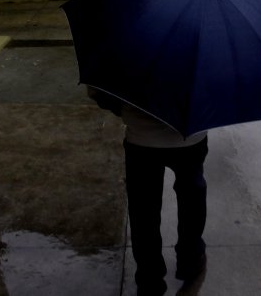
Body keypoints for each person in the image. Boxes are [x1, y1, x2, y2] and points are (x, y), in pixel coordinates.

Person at [88, 87, 209, 296]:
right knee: (192, 196)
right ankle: (191, 259)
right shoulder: (210, 53)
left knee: (143, 211)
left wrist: (127, 111)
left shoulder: (120, 52)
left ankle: (149, 278)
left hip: (141, 137)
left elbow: (99, 92)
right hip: (191, 135)